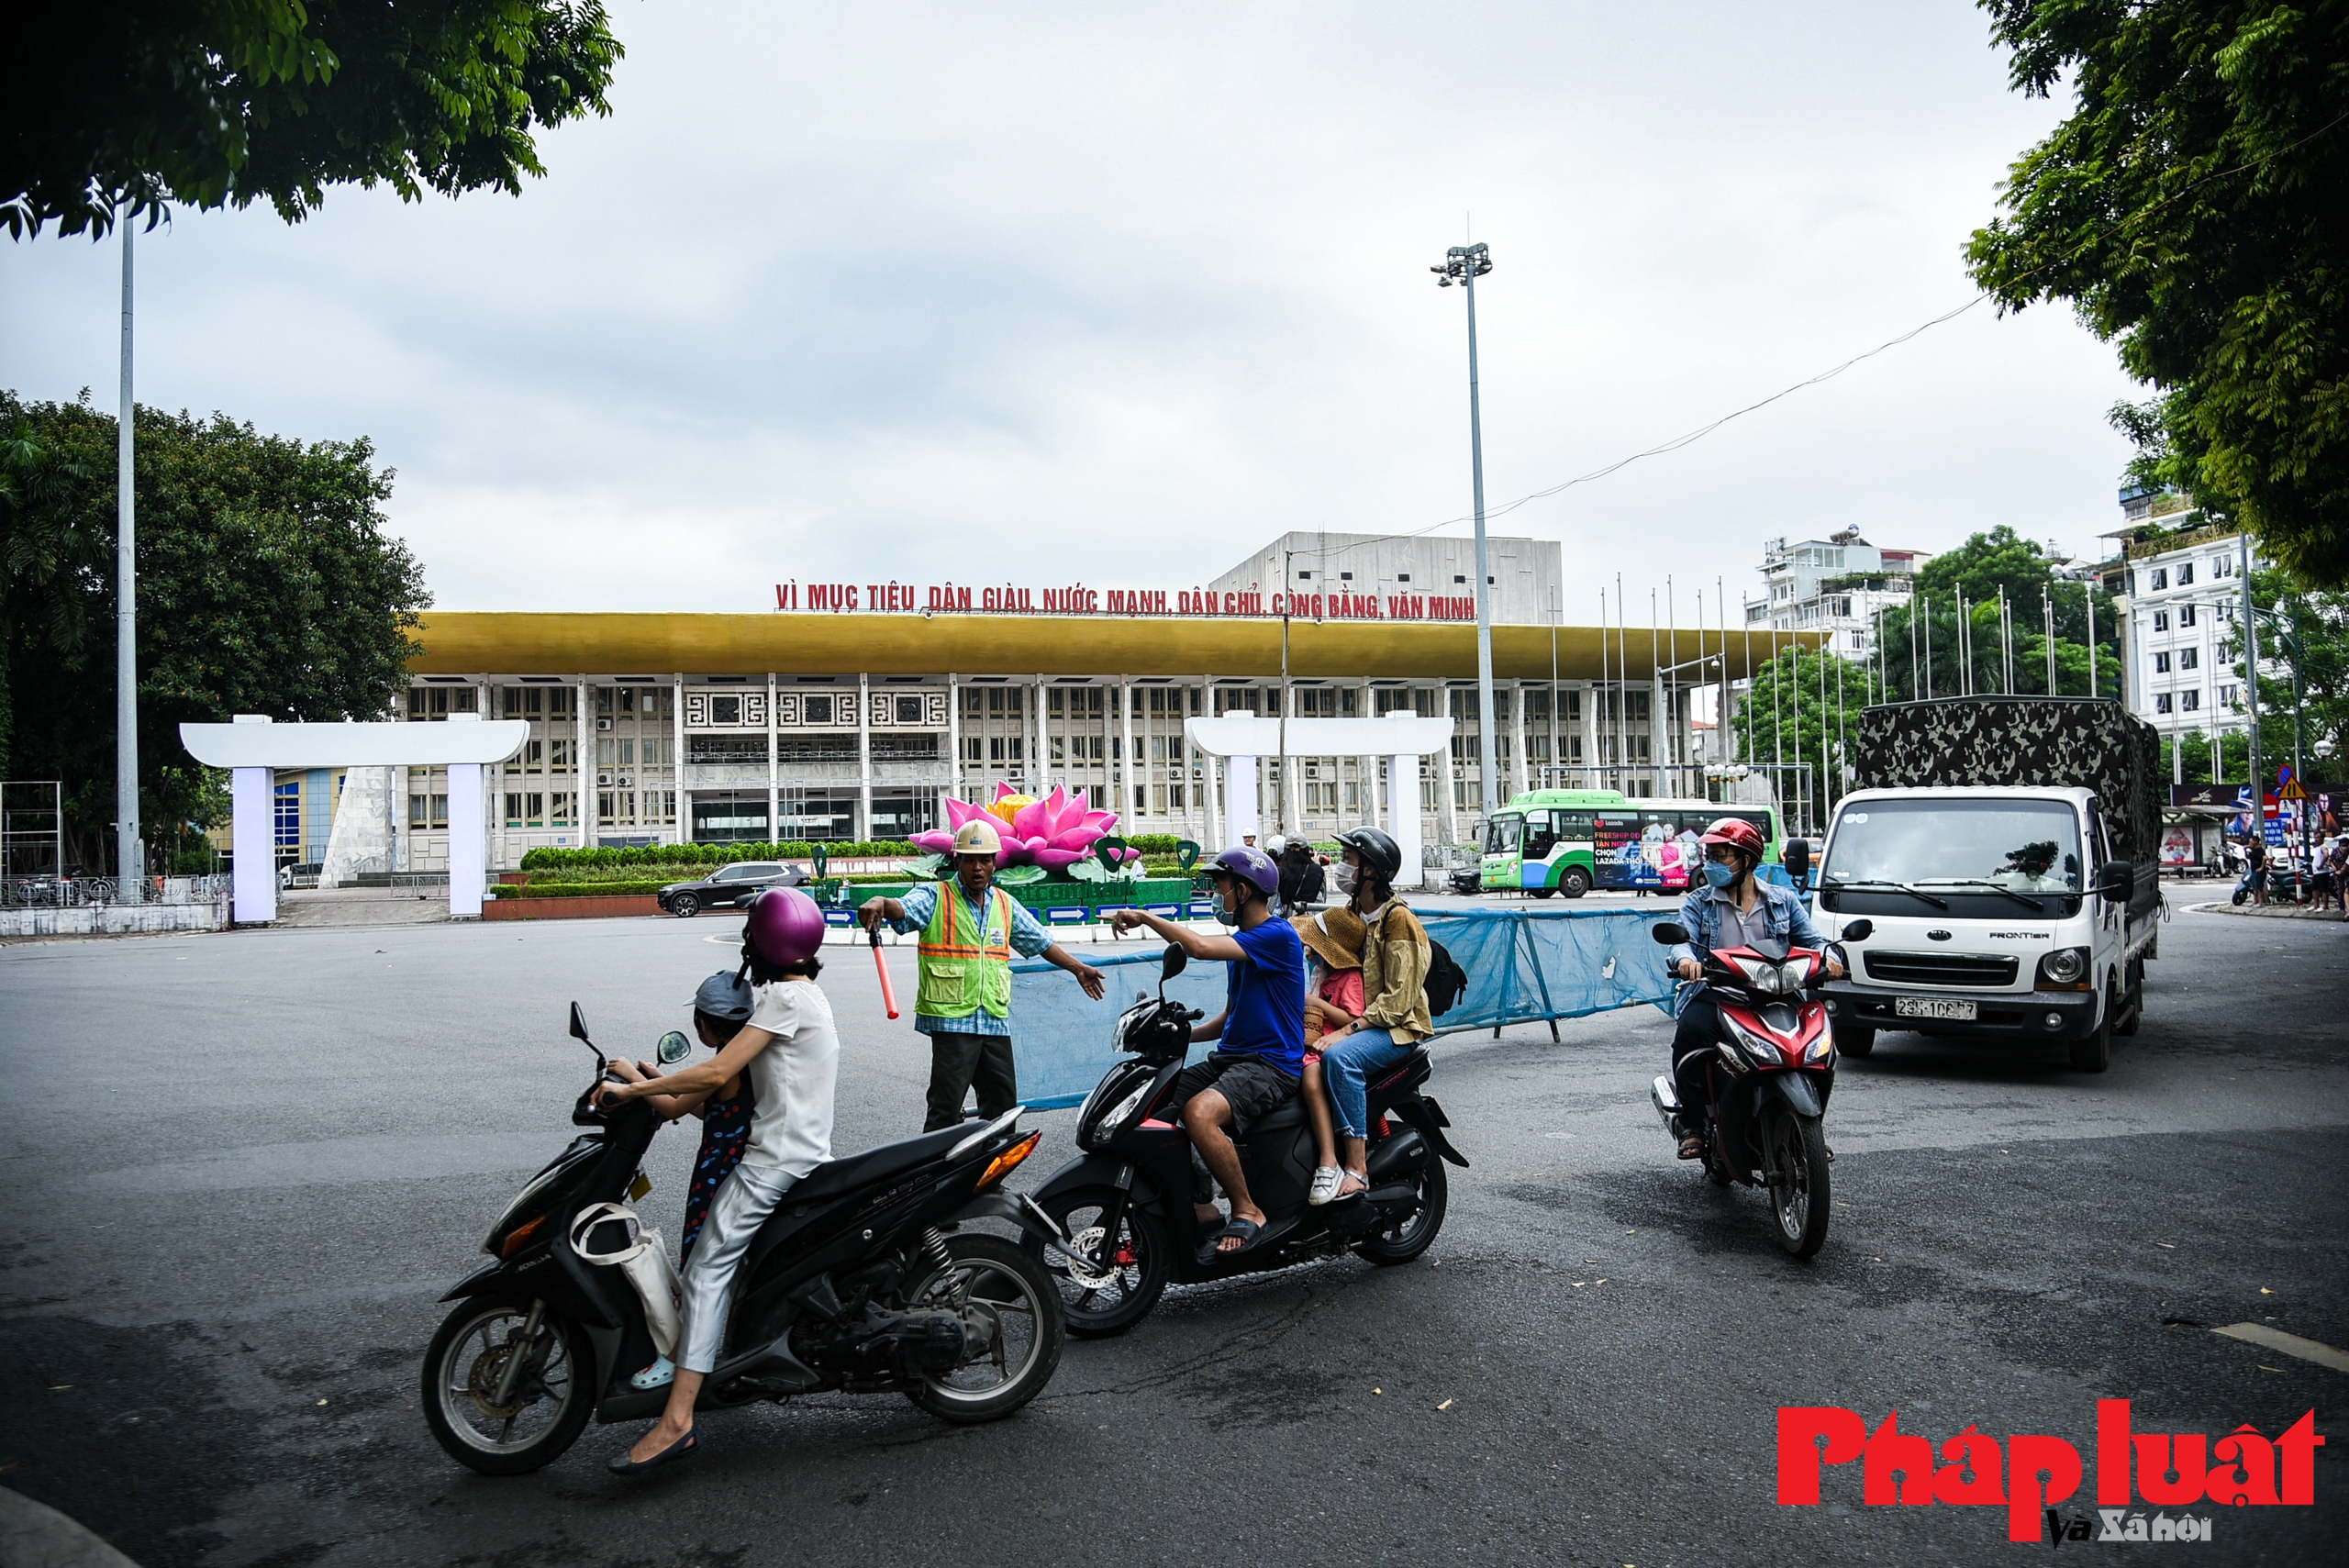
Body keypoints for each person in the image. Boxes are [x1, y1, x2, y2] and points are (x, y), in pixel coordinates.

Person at [597, 888, 841, 1474]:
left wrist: (629, 1089)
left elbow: (717, 1069)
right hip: (802, 1155)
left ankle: (678, 1421)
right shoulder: (809, 994)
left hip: (772, 1163)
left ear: (762, 943)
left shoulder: (782, 999)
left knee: (704, 1273)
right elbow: (718, 1088)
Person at [1109, 846, 1304, 1260]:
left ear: (1244, 889)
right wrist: (1180, 1036)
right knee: (1154, 1105)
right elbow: (1232, 1016)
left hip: (1271, 1065)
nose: (1215, 892)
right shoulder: (1246, 944)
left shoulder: (1277, 935)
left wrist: (1144, 916)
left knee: (1199, 1112)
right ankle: (1200, 1203)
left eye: (1219, 884)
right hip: (1233, 1058)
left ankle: (1248, 1210)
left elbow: (1197, 947)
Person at [861, 819, 1106, 1132]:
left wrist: (1077, 968)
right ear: (957, 862)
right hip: (952, 1019)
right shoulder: (937, 896)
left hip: (993, 1017)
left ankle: (990, 1177)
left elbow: (1040, 941)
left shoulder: (1004, 905)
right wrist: (882, 903)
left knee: (1003, 1109)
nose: (978, 867)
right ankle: (934, 1178)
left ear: (994, 864)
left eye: (985, 860)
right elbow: (903, 909)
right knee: (946, 1109)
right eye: (970, 859)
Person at [600, 970, 760, 1393]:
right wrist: (654, 1076)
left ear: (706, 1026)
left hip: (718, 1171)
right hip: (737, 1161)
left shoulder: (720, 1067)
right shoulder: (744, 1059)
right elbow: (706, 1109)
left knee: (700, 1257)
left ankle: (679, 1358)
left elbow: (671, 1107)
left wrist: (630, 1078)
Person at [1665, 817, 1843, 1162]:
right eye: (1709, 856)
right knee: (1691, 1033)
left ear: (1746, 859)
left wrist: (1830, 956)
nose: (1711, 865)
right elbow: (1680, 941)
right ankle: (1692, 1124)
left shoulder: (1782, 900)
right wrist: (1686, 961)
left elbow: (1814, 941)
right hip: (1718, 992)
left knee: (1820, 1047)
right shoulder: (1698, 902)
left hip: (1775, 993)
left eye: (1720, 856)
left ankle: (1810, 1128)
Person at [1309, 826, 1434, 1203]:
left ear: (1371, 871)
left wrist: (1347, 1031)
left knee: (1338, 1058)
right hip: (1366, 1020)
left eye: (1350, 860)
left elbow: (1399, 1000)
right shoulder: (1354, 913)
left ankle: (1357, 1169)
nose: (1342, 867)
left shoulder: (1398, 920)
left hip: (1398, 1028)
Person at [1292, 906, 1367, 1201]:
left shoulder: (1350, 979)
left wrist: (1317, 1004)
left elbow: (1353, 1020)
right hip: (1309, 1041)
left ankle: (1328, 1160)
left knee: (1310, 1080)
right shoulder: (1321, 972)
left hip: (1331, 1046)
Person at [1279, 840, 1327, 912]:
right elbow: (1322, 897)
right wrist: (1317, 867)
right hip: (1309, 918)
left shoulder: (1279, 871)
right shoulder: (1315, 870)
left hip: (1285, 917)